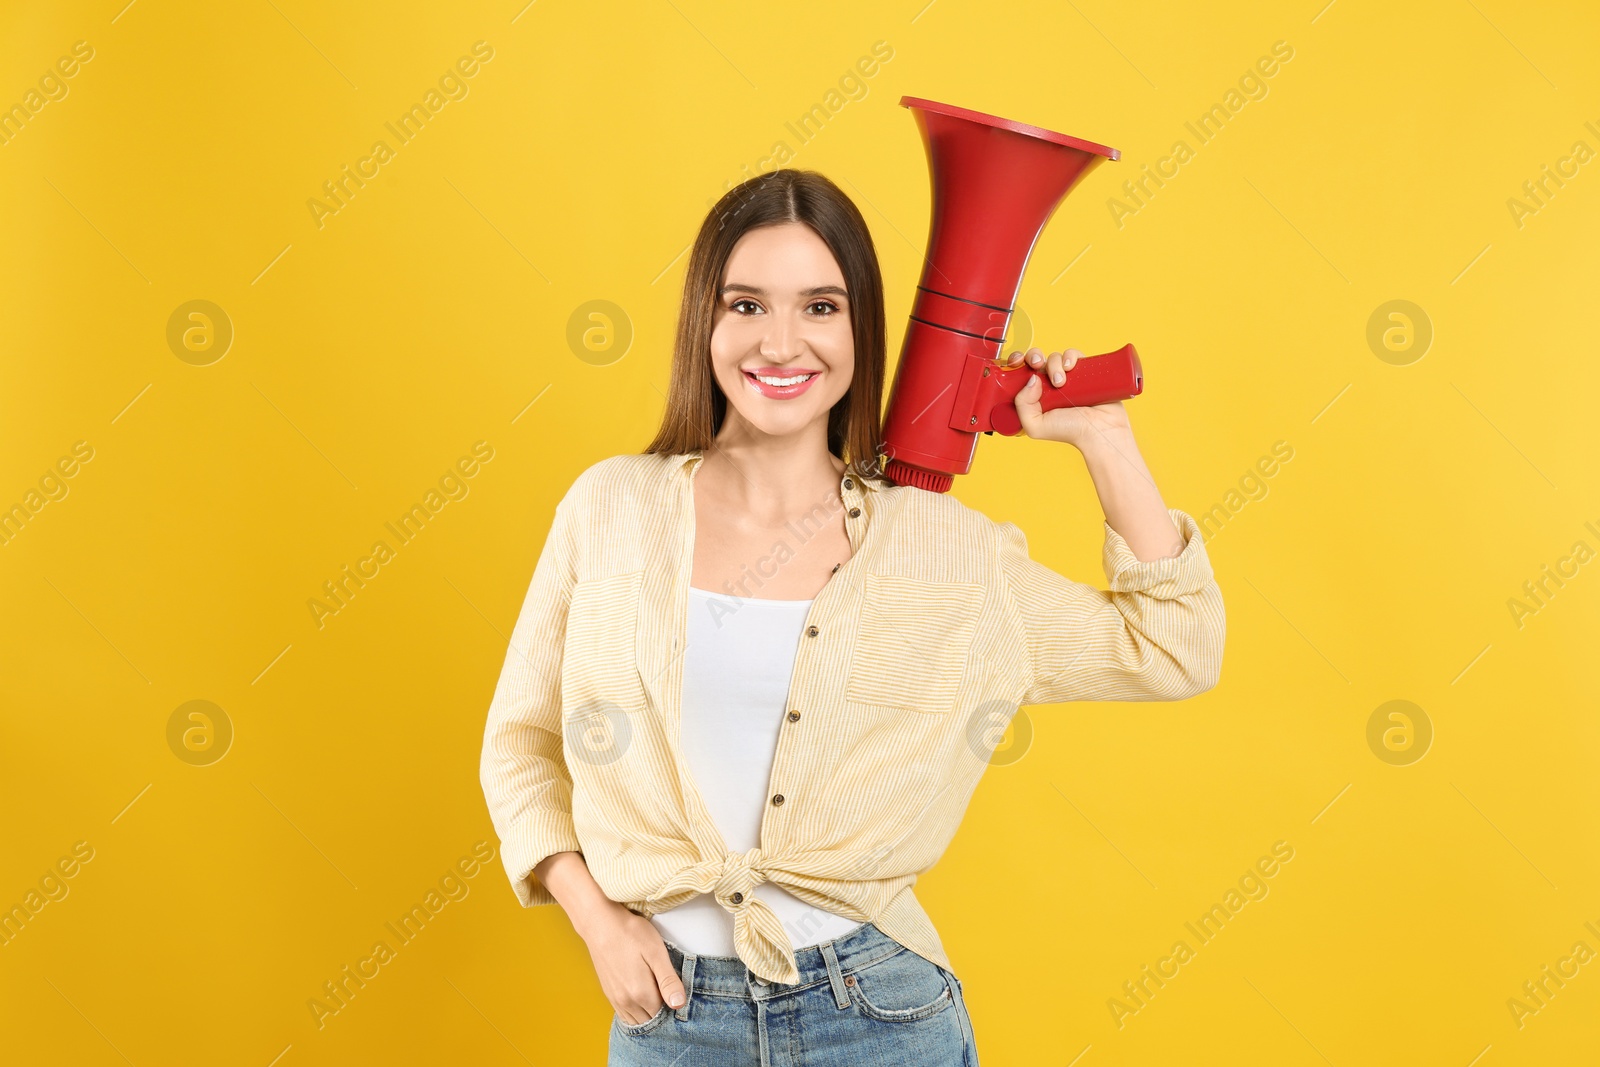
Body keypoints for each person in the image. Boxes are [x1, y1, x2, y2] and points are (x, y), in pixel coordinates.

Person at [479, 169, 1226, 1065]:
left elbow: (1176, 647)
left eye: (820, 307)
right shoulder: (608, 509)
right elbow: (517, 744)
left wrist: (1106, 440)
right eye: (746, 304)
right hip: (671, 1018)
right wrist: (596, 919)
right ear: (704, 324)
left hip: (878, 1015)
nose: (781, 342)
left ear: (862, 329)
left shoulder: (947, 551)